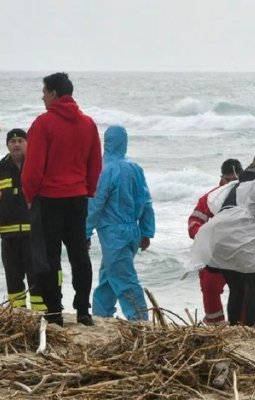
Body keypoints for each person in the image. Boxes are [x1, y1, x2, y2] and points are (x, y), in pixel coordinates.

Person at [22, 72, 102, 327]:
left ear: (54, 94)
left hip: (48, 198)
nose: (42, 96)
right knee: (79, 254)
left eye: (44, 92)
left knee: (48, 257)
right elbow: (95, 163)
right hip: (77, 198)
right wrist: (87, 189)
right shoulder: (88, 123)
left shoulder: (44, 123)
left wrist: (29, 195)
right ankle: (83, 310)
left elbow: (33, 167)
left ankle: (54, 310)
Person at [197, 152, 255, 326]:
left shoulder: (238, 185)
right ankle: (249, 328)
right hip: (239, 239)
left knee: (237, 287)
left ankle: (234, 327)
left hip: (218, 238)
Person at [86, 125, 155, 321]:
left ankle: (140, 321)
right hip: (132, 230)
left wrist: (85, 231)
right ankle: (101, 315)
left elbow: (96, 204)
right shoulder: (135, 168)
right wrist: (146, 231)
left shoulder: (104, 170)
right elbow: (146, 201)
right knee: (108, 277)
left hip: (113, 233)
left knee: (124, 279)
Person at [188, 158, 243, 324]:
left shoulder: (248, 196)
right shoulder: (210, 198)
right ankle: (215, 324)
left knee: (244, 290)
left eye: (236, 179)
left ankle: (242, 324)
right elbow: (193, 223)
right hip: (214, 254)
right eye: (228, 179)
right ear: (221, 178)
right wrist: (206, 236)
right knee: (210, 287)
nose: (232, 183)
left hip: (239, 252)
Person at [0, 129, 45, 312]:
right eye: (12, 141)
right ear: (7, 145)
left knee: (36, 278)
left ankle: (40, 315)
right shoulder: (1, 168)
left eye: (20, 140)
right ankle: (18, 315)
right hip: (8, 236)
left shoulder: (37, 165)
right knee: (13, 278)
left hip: (33, 234)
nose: (16, 144)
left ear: (28, 143)